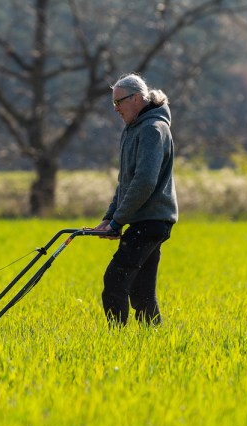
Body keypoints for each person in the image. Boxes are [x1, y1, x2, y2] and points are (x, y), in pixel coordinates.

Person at [93, 73, 178, 326]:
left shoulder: (153, 129)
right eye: (114, 103)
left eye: (119, 102)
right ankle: (152, 340)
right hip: (144, 219)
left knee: (115, 282)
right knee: (141, 292)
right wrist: (109, 217)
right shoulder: (132, 130)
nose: (116, 109)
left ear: (138, 98)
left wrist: (118, 221)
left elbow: (144, 182)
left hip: (152, 220)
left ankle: (116, 341)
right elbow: (125, 183)